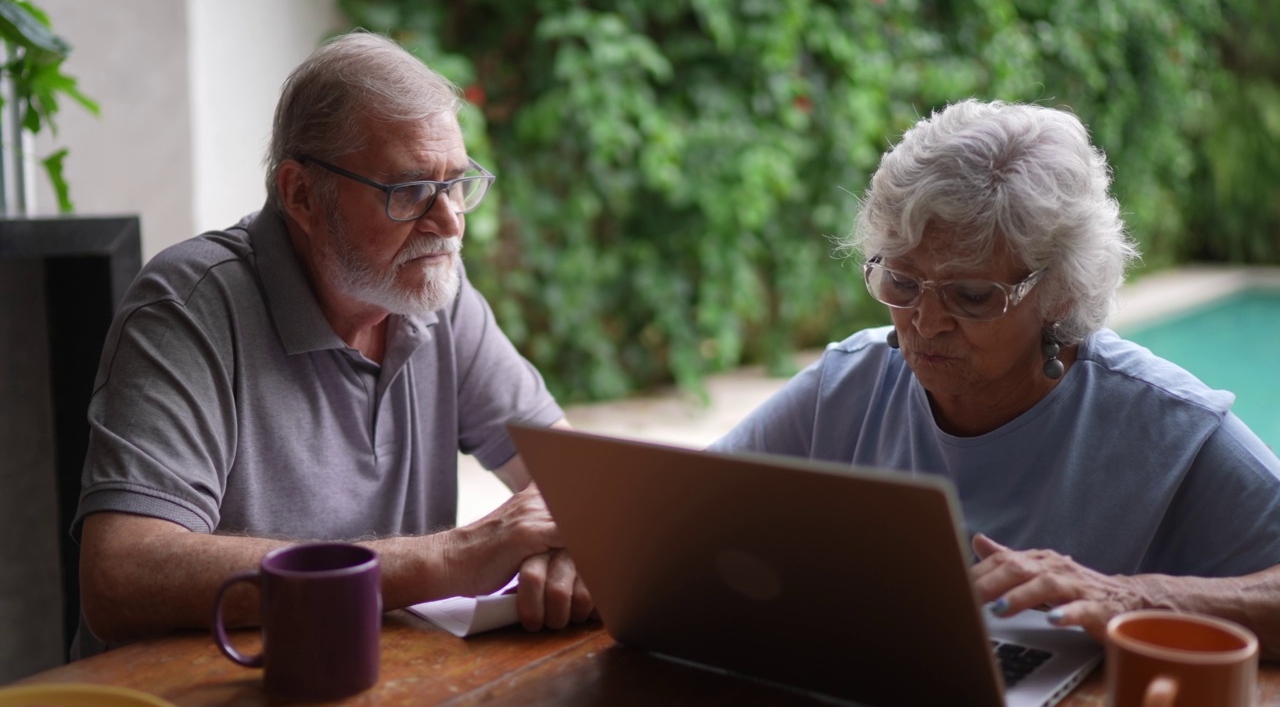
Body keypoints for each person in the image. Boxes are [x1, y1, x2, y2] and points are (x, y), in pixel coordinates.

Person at [71, 32, 591, 659]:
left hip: (372, 677)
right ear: (300, 195)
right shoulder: (188, 309)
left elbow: (578, 483)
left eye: (456, 183)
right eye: (409, 190)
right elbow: (122, 575)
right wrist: (454, 556)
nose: (450, 221)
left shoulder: (436, 300)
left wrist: (572, 549)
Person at [711, 99, 1280, 659]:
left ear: (1058, 292)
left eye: (973, 296)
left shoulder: (1167, 426)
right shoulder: (849, 386)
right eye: (903, 284)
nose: (927, 323)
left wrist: (1132, 597)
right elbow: (677, 518)